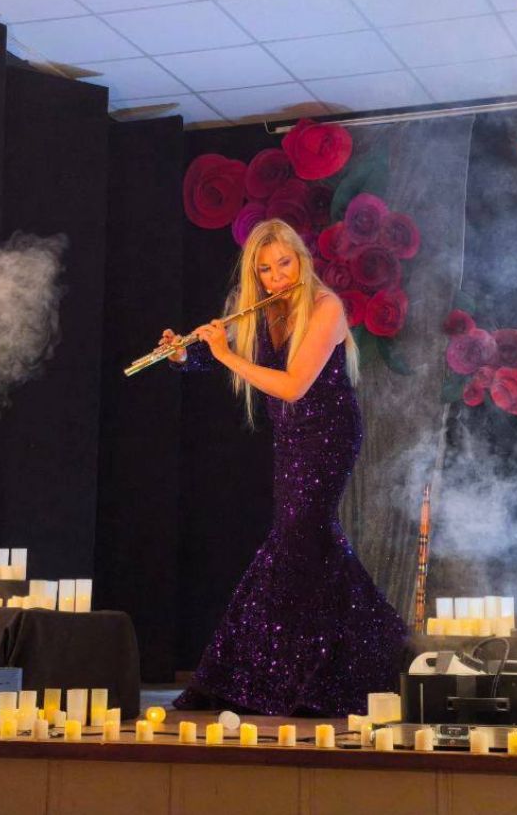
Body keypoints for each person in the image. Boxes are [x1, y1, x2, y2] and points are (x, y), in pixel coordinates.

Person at [163, 218, 406, 717]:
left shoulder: (325, 307)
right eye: (266, 270)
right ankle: (362, 654)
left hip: (328, 434)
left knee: (299, 539)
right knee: (309, 545)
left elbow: (293, 385)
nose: (277, 277)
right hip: (291, 439)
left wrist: (224, 354)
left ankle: (345, 655)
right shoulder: (261, 308)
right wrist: (185, 355)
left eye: (284, 264)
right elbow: (221, 357)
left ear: (302, 259)